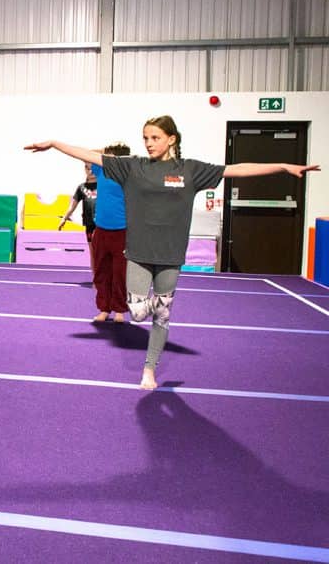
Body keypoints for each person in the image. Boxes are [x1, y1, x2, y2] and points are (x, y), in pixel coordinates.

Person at [25, 116, 319, 390]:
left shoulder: (190, 170)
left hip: (170, 255)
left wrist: (283, 166)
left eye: (155, 137)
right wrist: (54, 144)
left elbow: (236, 169)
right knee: (139, 313)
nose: (149, 143)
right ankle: (159, 306)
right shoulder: (133, 167)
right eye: (145, 138)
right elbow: (89, 156)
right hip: (139, 253)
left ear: (171, 139)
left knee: (162, 318)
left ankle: (149, 369)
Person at [89, 143, 131, 323]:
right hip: (101, 230)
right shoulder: (100, 170)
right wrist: (105, 152)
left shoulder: (128, 175)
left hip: (121, 232)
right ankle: (104, 309)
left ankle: (120, 310)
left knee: (119, 274)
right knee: (101, 272)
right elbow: (89, 152)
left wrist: (118, 157)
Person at [58, 162, 97, 247]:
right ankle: (92, 261)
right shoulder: (81, 187)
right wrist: (64, 218)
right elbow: (72, 205)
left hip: (101, 223)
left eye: (92, 168)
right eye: (87, 168)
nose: (90, 171)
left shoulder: (102, 186)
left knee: (101, 249)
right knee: (92, 249)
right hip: (89, 223)